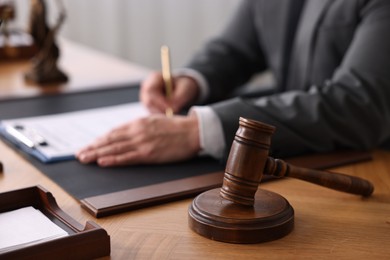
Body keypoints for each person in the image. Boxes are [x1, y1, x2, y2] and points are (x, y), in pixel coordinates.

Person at [76, 0, 390, 167]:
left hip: (371, 174)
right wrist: (192, 79)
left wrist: (199, 131)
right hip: (296, 158)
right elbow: (235, 48)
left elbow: (359, 104)